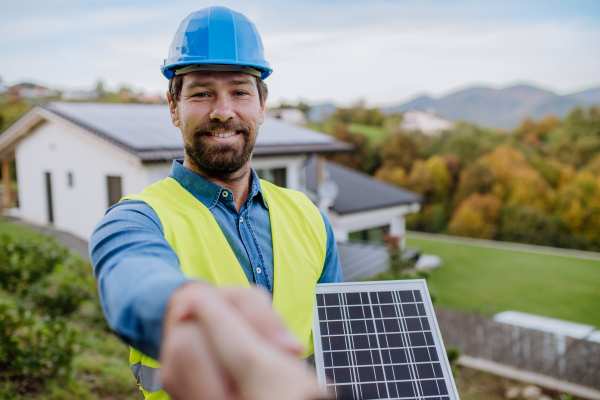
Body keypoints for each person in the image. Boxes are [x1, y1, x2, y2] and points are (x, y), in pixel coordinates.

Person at [89, 6, 343, 400]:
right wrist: (186, 309)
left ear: (261, 106)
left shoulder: (309, 216)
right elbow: (131, 276)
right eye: (202, 92)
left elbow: (338, 345)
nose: (223, 111)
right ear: (174, 108)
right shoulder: (135, 218)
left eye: (240, 91)